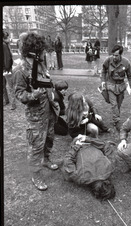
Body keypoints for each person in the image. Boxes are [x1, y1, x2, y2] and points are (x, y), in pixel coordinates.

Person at [13, 32, 60, 191]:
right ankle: (36, 175)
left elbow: (46, 81)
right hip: (36, 117)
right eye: (41, 50)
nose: (43, 53)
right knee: (36, 146)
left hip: (49, 111)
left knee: (49, 139)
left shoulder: (39, 63)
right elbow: (19, 93)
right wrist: (34, 94)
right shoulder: (21, 69)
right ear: (33, 50)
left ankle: (46, 159)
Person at [62, 134, 116, 201]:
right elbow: (68, 160)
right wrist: (87, 139)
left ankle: (81, 137)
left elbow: (68, 160)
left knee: (67, 176)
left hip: (83, 144)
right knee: (67, 174)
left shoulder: (110, 168)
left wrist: (77, 145)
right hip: (89, 144)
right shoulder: (80, 178)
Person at [101, 44, 131, 132]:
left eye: (116, 55)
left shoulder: (126, 62)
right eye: (113, 55)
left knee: (118, 105)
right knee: (114, 104)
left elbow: (130, 76)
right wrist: (103, 81)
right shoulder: (108, 60)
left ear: (120, 54)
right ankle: (117, 122)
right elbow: (103, 70)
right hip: (111, 85)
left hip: (121, 86)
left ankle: (115, 119)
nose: (114, 57)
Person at [3, 29, 16, 110]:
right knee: (4, 86)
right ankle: (6, 100)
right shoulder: (5, 44)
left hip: (6, 69)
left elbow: (8, 58)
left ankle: (13, 103)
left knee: (10, 86)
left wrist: (7, 69)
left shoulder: (4, 45)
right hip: (5, 68)